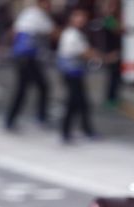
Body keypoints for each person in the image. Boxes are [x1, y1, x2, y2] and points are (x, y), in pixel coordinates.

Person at [4, 0, 56, 131]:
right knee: (28, 88)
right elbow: (52, 32)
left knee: (37, 87)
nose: (50, 6)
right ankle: (16, 120)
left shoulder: (27, 13)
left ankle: (16, 119)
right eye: (48, 3)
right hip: (27, 58)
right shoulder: (39, 15)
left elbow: (14, 32)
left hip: (23, 57)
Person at [58, 8, 103, 142]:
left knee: (82, 103)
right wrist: (97, 56)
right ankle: (67, 132)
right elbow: (84, 52)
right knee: (74, 103)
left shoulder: (77, 34)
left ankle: (83, 130)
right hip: (70, 73)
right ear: (72, 18)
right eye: (78, 17)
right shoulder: (71, 34)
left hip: (77, 73)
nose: (81, 20)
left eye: (83, 17)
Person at [99, 0, 124, 108]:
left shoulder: (112, 19)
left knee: (116, 76)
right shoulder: (109, 19)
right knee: (113, 76)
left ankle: (113, 97)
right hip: (112, 52)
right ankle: (110, 99)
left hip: (115, 51)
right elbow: (118, 30)